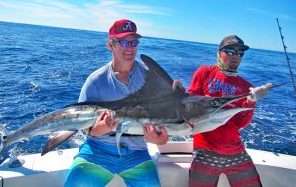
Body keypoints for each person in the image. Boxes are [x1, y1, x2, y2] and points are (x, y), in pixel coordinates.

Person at [64, 19, 169, 187]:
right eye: (123, 42)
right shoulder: (95, 81)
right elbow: (88, 129)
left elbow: (165, 117)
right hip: (98, 151)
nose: (130, 47)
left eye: (134, 42)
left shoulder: (152, 77)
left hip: (138, 153)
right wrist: (98, 130)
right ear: (111, 45)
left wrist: (161, 141)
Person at [188, 35, 272, 187]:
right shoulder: (204, 72)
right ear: (220, 52)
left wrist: (251, 101)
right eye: (231, 51)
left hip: (236, 152)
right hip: (204, 151)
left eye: (240, 53)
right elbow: (189, 106)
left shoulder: (246, 87)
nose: (236, 56)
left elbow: (241, 123)